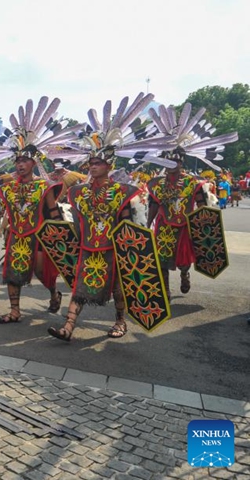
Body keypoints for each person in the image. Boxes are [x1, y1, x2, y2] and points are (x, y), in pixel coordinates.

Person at [47, 93, 170, 341]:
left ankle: (120, 321)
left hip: (113, 247)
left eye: (98, 163)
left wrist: (130, 246)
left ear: (109, 165)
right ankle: (68, 327)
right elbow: (75, 218)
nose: (93, 166)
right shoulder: (78, 192)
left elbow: (130, 221)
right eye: (91, 162)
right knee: (79, 288)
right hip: (87, 246)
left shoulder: (122, 191)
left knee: (118, 288)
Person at [0, 97, 81, 324]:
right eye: (17, 160)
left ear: (33, 163)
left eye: (25, 160)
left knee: (41, 274)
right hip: (16, 237)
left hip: (38, 237)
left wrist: (64, 241)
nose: (20, 164)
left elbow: (53, 215)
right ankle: (15, 311)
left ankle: (54, 293)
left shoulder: (44, 187)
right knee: (13, 275)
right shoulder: (9, 188)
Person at [145, 102, 238, 295]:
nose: (171, 164)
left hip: (184, 226)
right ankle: (165, 291)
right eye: (167, 160)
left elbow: (202, 207)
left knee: (184, 262)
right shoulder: (156, 184)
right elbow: (153, 204)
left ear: (181, 161)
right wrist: (147, 224)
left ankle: (185, 274)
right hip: (163, 226)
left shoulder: (192, 183)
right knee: (161, 260)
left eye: (175, 160)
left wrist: (204, 228)